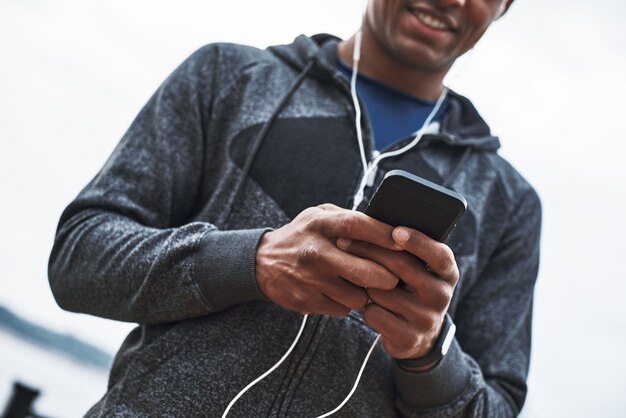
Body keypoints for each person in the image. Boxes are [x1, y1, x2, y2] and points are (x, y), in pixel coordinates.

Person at [48, 0, 541, 416]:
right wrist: (252, 261)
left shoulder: (510, 202)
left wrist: (429, 353)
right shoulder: (225, 78)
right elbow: (78, 258)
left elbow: (495, 405)